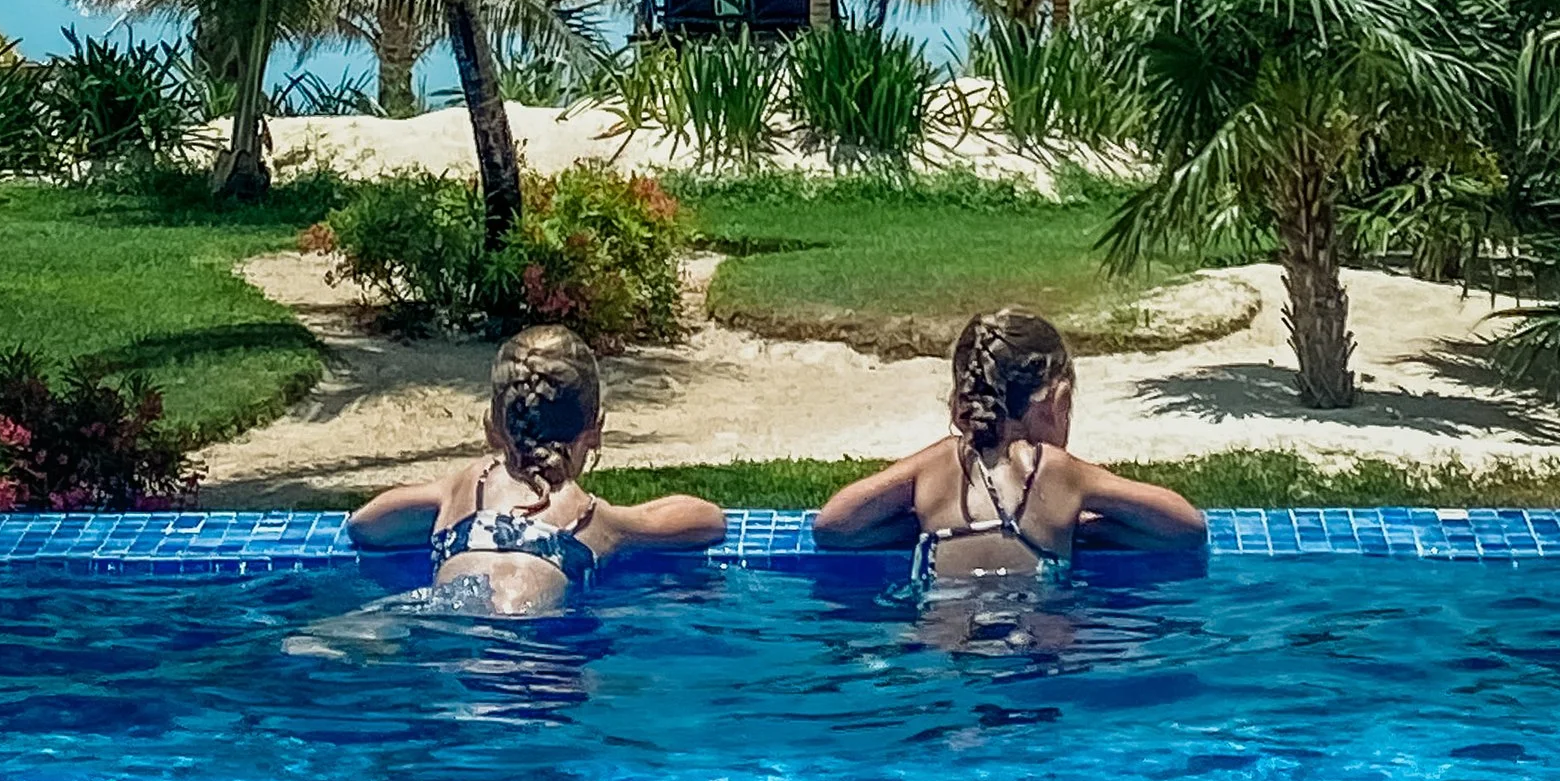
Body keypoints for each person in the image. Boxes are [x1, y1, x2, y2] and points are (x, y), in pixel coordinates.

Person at [811, 307, 1206, 593]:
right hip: (1041, 654)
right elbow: (1186, 528)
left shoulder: (935, 466)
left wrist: (920, 525)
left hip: (949, 656)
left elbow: (833, 527)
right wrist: (1084, 527)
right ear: (1059, 401)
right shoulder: (1058, 472)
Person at [344, 325, 726, 615]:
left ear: (491, 429)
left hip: (447, 623)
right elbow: (708, 521)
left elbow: (366, 525)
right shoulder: (594, 520)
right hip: (537, 649)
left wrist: (438, 516)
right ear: (595, 431)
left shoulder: (464, 487)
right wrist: (628, 526)